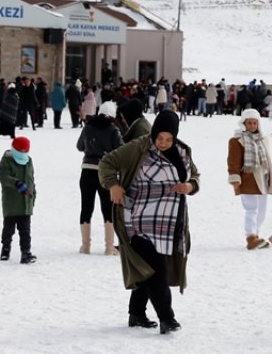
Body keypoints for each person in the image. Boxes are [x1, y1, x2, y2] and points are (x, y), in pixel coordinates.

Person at [100, 110, 199, 333]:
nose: (163, 143)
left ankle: (136, 313)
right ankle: (167, 318)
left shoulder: (183, 152)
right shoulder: (138, 148)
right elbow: (107, 163)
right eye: (159, 138)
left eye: (168, 139)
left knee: (149, 268)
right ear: (153, 133)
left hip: (169, 221)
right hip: (138, 218)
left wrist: (189, 186)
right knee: (157, 270)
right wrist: (113, 185)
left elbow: (195, 176)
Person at [228, 108, 272, 249]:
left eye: (254, 123)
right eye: (249, 123)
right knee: (252, 209)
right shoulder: (237, 140)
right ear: (243, 123)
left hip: (263, 179)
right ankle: (250, 237)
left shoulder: (263, 139)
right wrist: (235, 179)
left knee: (262, 210)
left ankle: (256, 235)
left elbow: (268, 159)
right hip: (248, 179)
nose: (252, 126)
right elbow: (233, 161)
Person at [77, 100, 123, 255]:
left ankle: (85, 246)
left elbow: (79, 147)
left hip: (87, 171)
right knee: (107, 209)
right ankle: (109, 247)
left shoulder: (88, 127)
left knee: (86, 208)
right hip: (106, 173)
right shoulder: (113, 130)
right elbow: (121, 150)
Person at [0, 136, 37, 263]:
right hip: (11, 202)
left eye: (26, 151)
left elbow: (31, 179)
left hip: (26, 203)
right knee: (8, 229)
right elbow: (4, 177)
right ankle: (5, 248)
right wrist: (17, 183)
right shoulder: (6, 161)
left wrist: (33, 195)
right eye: (21, 151)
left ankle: (26, 252)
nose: (23, 154)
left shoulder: (29, 161)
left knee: (25, 230)